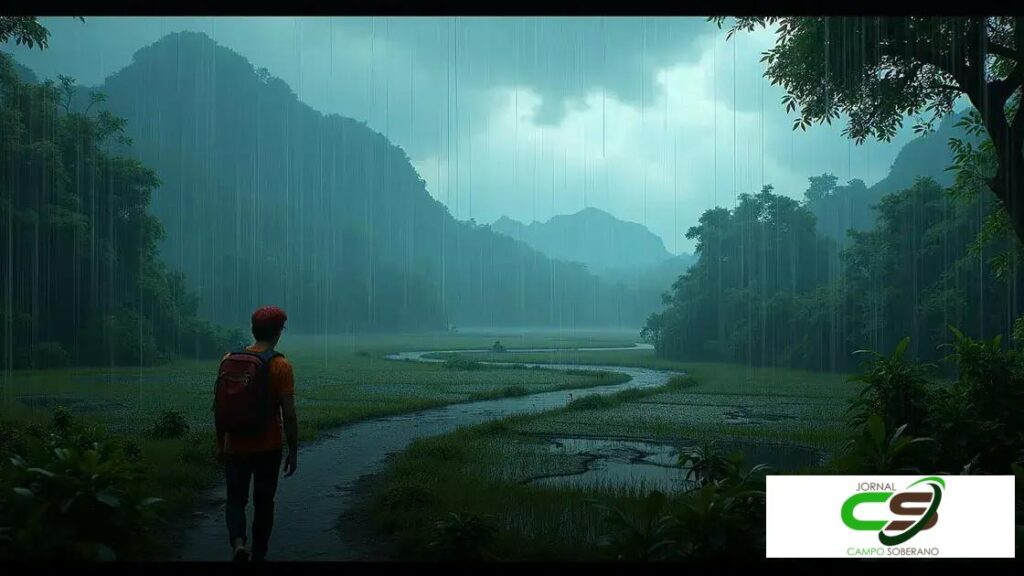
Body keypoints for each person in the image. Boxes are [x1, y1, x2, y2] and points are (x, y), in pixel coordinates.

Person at [215, 306, 298, 562]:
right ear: (278, 332)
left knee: (235, 500)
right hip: (268, 446)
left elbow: (220, 406)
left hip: (235, 444)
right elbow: (289, 414)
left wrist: (221, 443)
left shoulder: (229, 358)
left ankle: (239, 544)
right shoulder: (280, 365)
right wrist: (293, 450)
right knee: (264, 503)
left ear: (253, 329)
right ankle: (259, 554)